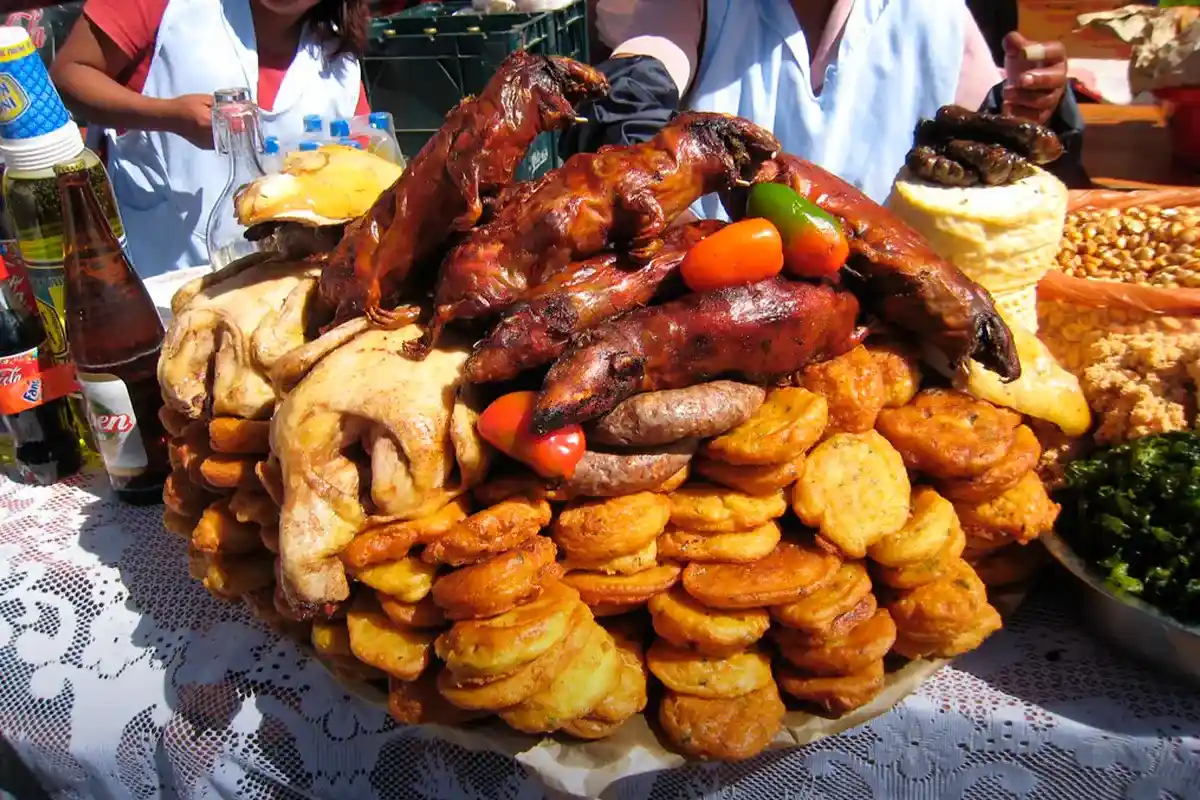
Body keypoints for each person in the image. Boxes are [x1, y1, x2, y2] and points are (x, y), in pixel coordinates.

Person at [572, 0, 1082, 215]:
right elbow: (638, 84)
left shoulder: (933, 14)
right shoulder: (700, 7)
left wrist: (1029, 113)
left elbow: (984, 136)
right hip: (715, 292)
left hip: (894, 307)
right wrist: (643, 180)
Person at [50, 0, 372, 276]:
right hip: (151, 284)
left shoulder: (339, 63)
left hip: (277, 299)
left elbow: (366, 175)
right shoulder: (168, 8)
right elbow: (69, 74)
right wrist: (167, 115)